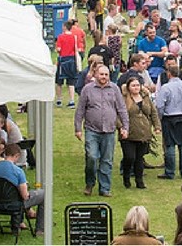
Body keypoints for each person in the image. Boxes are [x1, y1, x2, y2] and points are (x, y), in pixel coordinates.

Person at [74, 65, 129, 196]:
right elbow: (80, 110)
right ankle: (90, 182)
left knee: (106, 160)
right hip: (92, 130)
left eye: (106, 75)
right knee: (92, 157)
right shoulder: (87, 89)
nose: (104, 77)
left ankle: (105, 188)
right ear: (96, 75)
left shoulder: (114, 89)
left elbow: (121, 109)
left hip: (109, 130)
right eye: (101, 74)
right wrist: (78, 128)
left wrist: (125, 127)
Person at [0, 143, 45, 235]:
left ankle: (18, 223)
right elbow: (25, 196)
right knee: (43, 194)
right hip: (14, 204)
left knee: (15, 193)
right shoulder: (17, 171)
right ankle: (40, 230)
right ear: (17, 156)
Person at [156, 63, 182, 180]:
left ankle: (170, 172)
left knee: (170, 145)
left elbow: (159, 105)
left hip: (169, 118)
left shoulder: (165, 88)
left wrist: (161, 115)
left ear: (168, 74)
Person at [120, 76, 160, 189]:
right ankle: (126, 176)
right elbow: (118, 115)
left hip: (144, 133)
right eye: (133, 85)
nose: (136, 87)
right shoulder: (123, 99)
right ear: (128, 87)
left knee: (139, 158)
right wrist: (121, 128)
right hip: (128, 133)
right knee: (129, 157)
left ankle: (139, 181)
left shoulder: (145, 97)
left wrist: (157, 126)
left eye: (138, 85)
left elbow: (153, 112)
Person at [55, 20, 82, 108]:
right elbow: (77, 48)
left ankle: (59, 100)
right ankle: (71, 101)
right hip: (71, 60)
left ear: (65, 27)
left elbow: (58, 49)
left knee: (59, 81)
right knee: (71, 82)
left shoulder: (60, 37)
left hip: (63, 59)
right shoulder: (74, 37)